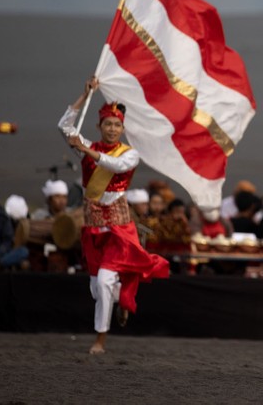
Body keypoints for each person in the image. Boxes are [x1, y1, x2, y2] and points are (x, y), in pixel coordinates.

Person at [59, 76, 169, 355]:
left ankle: (100, 340)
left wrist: (88, 153)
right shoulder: (89, 146)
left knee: (106, 280)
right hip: (93, 226)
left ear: (122, 128)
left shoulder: (129, 154)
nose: (112, 129)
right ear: (100, 126)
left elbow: (116, 166)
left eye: (117, 125)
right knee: (97, 288)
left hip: (119, 227)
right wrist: (84, 96)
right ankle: (122, 300)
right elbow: (65, 126)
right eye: (108, 124)